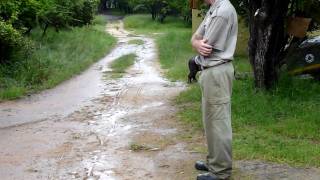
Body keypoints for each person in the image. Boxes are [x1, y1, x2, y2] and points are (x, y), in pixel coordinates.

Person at [191, 0, 238, 179]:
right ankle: (214, 162)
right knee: (210, 121)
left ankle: (220, 172)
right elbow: (194, 39)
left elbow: (206, 47)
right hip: (211, 72)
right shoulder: (214, 8)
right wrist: (196, 43)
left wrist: (197, 43)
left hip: (217, 71)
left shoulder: (222, 12)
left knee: (218, 122)